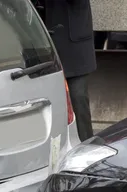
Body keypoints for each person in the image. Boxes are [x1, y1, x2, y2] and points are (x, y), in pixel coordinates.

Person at [34, 0, 97, 141]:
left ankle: (85, 149)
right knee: (44, 104)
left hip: (73, 43)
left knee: (78, 100)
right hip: (41, 41)